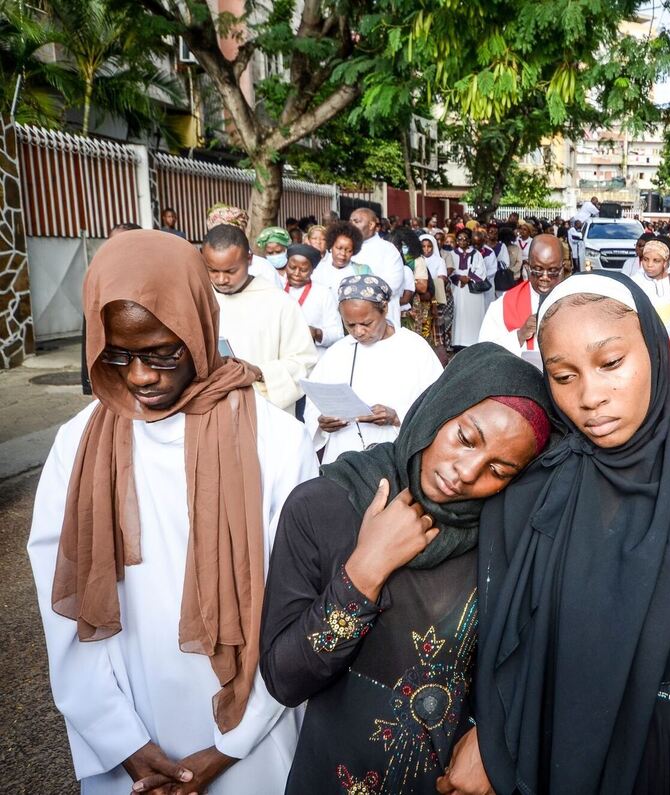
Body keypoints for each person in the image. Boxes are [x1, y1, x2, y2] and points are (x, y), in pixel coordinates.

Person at [29, 230, 317, 794]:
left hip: (250, 739)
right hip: (126, 727)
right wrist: (122, 743)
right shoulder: (76, 445)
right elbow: (60, 607)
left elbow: (299, 605)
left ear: (201, 329)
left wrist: (230, 746)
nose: (140, 377)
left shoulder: (278, 443)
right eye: (118, 355)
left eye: (164, 353)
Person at [468, 272, 670, 795]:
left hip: (666, 760)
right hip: (541, 750)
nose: (590, 396)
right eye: (563, 376)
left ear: (654, 350)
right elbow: (494, 638)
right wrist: (488, 736)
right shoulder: (531, 492)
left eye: (610, 364)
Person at [260, 344, 557, 795]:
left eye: (498, 468)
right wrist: (364, 571)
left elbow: (533, 666)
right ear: (441, 406)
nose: (466, 472)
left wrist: (496, 743)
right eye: (465, 438)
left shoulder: (509, 539)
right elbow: (285, 680)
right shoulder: (325, 505)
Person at [303, 276, 443, 462]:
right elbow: (314, 405)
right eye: (350, 325)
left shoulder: (414, 348)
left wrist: (397, 416)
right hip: (343, 455)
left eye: (366, 323)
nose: (358, 332)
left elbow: (438, 403)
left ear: (384, 309)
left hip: (396, 454)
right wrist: (322, 422)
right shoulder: (337, 352)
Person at [202, 224, 318, 415]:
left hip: (265, 414)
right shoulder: (200, 298)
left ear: (249, 259)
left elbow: (304, 362)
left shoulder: (280, 303)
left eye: (231, 271)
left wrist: (260, 372)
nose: (221, 279)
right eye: (213, 271)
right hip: (213, 411)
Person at [477, 234, 566, 355]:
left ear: (562, 269)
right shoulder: (504, 305)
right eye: (538, 269)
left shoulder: (577, 303)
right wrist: (519, 335)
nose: (545, 277)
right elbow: (484, 353)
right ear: (527, 268)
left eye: (553, 271)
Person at [350, 208, 414, 327]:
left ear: (371, 224)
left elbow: (392, 283)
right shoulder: (346, 248)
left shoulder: (388, 249)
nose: (351, 225)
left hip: (382, 314)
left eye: (356, 221)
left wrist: (363, 298)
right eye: (351, 221)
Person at [283, 243, 343, 357]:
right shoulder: (277, 289)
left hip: (313, 361)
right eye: (292, 267)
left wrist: (317, 333)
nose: (296, 273)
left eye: (303, 270)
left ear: (312, 270)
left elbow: (338, 334)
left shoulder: (323, 293)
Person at [628, 234, 670, 336]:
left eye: (656, 260)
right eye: (646, 259)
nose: (649, 265)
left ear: (665, 263)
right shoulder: (634, 283)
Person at [447, 230, 489, 349]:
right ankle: (458, 341)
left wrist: (469, 278)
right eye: (459, 239)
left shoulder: (476, 254)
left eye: (465, 239)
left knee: (473, 314)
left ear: (469, 240)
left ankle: (474, 341)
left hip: (472, 289)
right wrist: (459, 278)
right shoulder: (452, 254)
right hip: (458, 288)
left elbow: (481, 271)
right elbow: (449, 270)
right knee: (459, 313)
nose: (462, 241)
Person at [314, 220, 373, 291]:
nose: (343, 254)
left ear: (354, 251)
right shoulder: (319, 270)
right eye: (339, 248)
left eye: (348, 250)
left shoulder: (363, 271)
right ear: (331, 246)